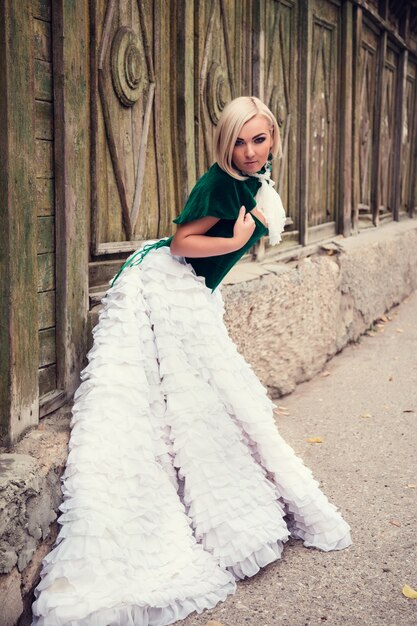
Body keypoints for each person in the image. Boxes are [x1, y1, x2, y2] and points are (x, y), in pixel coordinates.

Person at [31, 96, 351, 626]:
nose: (249, 151)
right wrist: (242, 235)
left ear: (273, 137)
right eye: (239, 141)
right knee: (186, 401)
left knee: (204, 403)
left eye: (259, 139)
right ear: (224, 143)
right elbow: (182, 243)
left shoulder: (255, 179)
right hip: (165, 285)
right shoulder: (220, 183)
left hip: (193, 291)